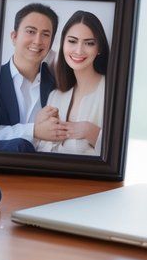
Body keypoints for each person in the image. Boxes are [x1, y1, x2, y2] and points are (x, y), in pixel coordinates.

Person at [0, 2, 66, 153]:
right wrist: (34, 131)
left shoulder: (58, 83)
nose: (38, 41)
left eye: (45, 34)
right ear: (14, 37)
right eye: (31, 31)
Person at [36, 10, 109, 156]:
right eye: (72, 41)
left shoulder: (110, 94)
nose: (79, 50)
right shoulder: (55, 96)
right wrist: (38, 128)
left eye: (89, 43)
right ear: (63, 43)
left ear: (99, 48)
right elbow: (40, 153)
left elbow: (118, 156)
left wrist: (91, 132)